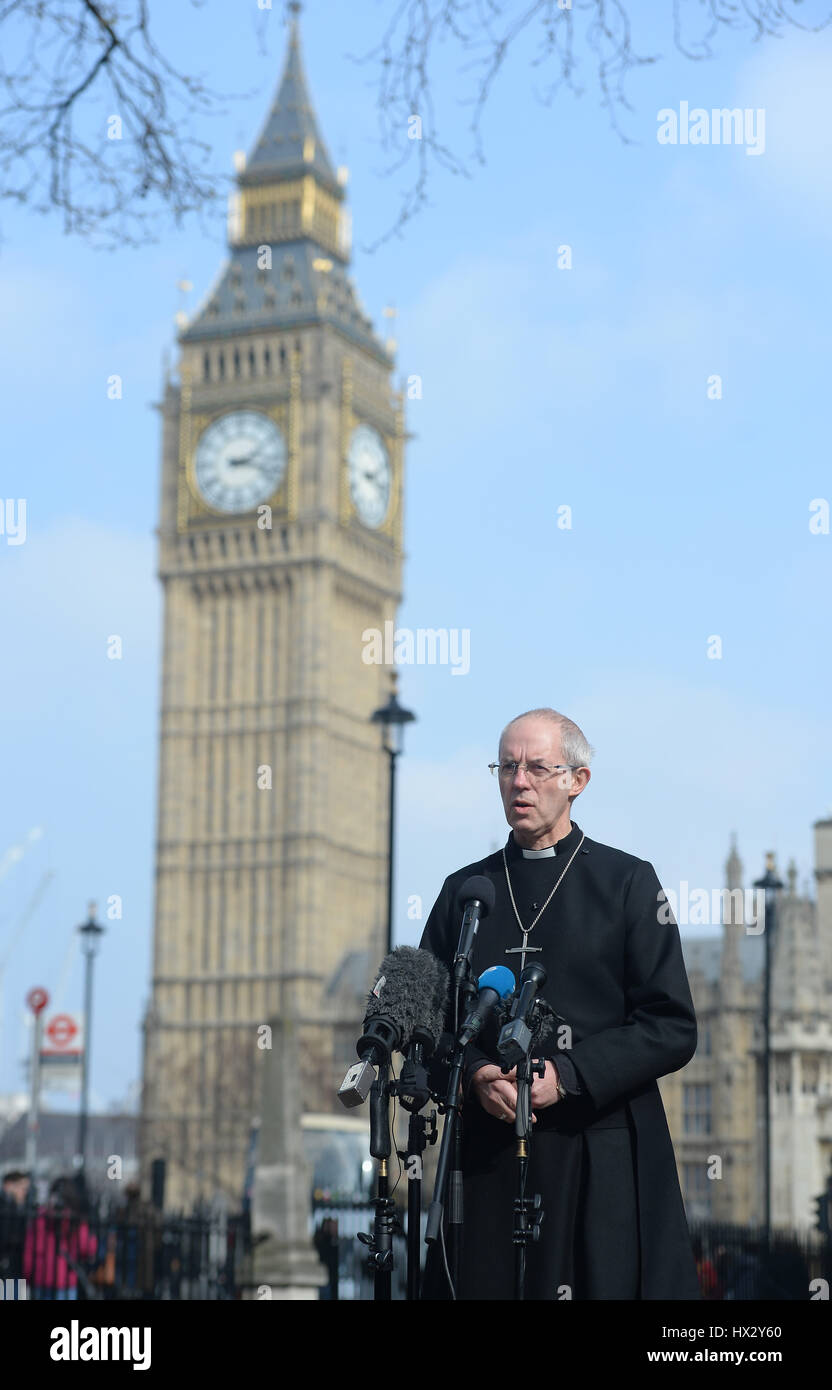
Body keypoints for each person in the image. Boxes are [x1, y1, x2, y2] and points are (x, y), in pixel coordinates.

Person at [419, 707, 701, 1300]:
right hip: (489, 1159)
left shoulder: (629, 883)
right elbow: (427, 1022)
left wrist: (567, 1075)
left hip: (598, 1155)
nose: (519, 782)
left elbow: (671, 1026)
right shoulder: (464, 894)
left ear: (578, 780)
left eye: (538, 768)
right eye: (507, 767)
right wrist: (472, 1076)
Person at [23, 1176, 98, 1299]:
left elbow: (86, 1249)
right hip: (49, 1281)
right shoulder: (43, 1219)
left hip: (56, 1281)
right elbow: (88, 1249)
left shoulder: (73, 1221)